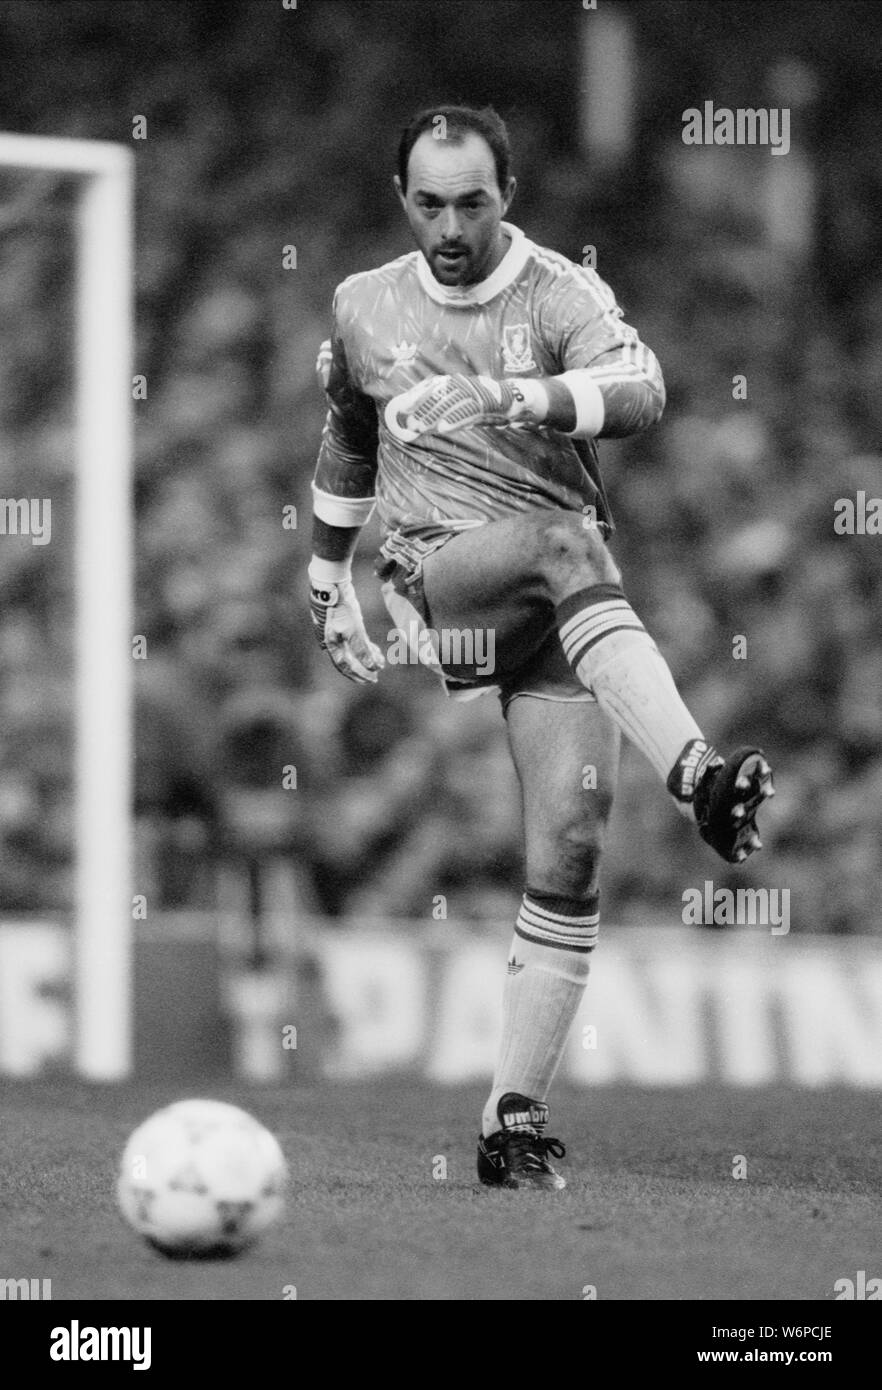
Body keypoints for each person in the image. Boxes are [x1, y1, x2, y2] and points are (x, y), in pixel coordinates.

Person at [308, 104, 774, 1191]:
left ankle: (510, 1118)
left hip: (563, 603)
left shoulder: (561, 291)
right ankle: (699, 773)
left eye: (473, 201)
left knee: (571, 842)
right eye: (429, 203)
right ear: (401, 197)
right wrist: (326, 575)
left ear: (507, 194)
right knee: (568, 544)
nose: (452, 224)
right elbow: (348, 435)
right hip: (445, 578)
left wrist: (505, 393)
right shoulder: (363, 305)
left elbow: (642, 389)